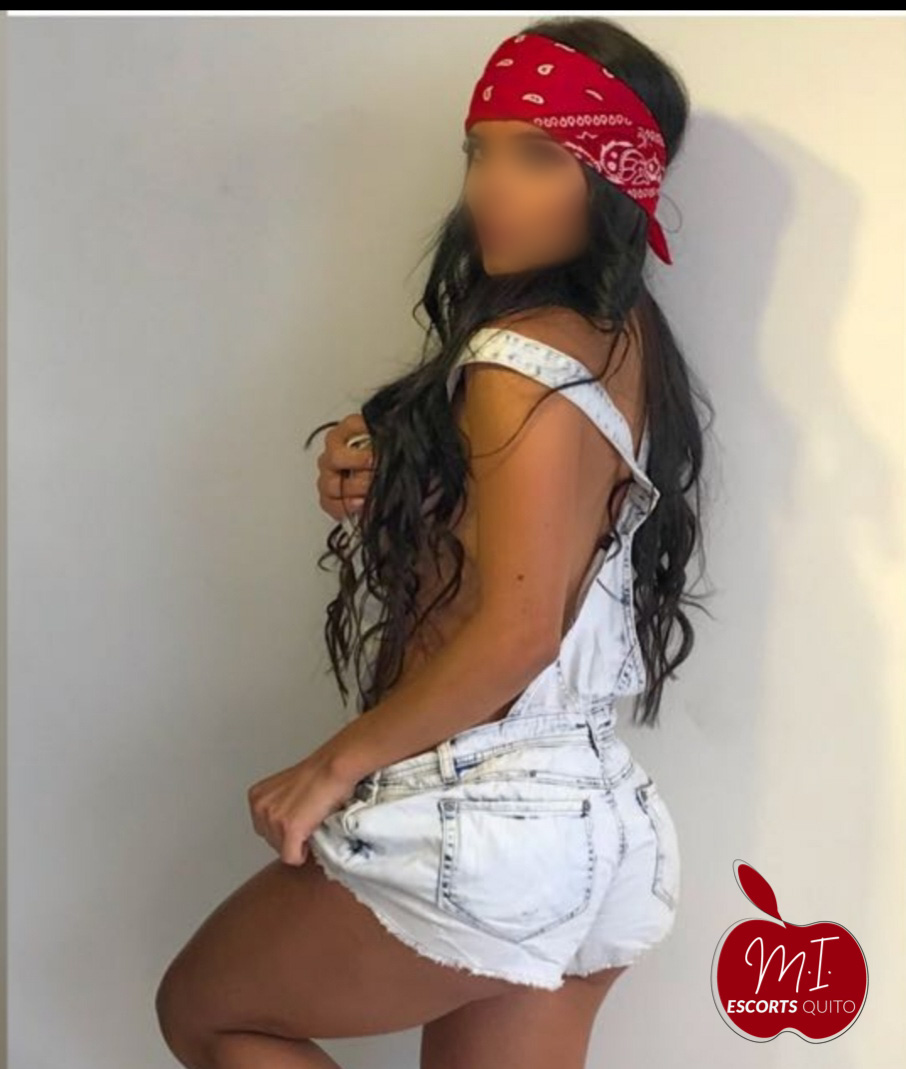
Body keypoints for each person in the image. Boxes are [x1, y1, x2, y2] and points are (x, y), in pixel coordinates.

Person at [156, 15, 711, 1069]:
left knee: (208, 1010)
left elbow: (519, 630)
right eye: (480, 150)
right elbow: (534, 517)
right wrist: (394, 449)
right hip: (598, 825)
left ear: (614, 178)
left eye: (538, 156)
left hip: (492, 812)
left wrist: (331, 767)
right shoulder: (624, 338)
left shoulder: (515, 362)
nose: (491, 186)